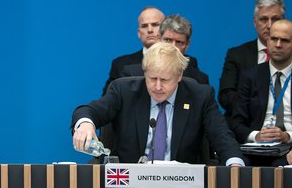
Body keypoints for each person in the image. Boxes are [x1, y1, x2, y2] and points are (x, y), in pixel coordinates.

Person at [72, 41, 244, 165]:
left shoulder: (199, 96)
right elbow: (89, 110)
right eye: (152, 78)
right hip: (129, 182)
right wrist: (86, 124)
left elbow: (222, 136)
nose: (158, 87)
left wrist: (235, 164)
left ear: (179, 76)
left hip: (181, 183)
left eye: (165, 80)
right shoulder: (124, 91)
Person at [230, 19, 292, 165]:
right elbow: (236, 122)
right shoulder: (250, 76)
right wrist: (257, 136)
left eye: (285, 40)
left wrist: (288, 136)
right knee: (237, 165)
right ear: (267, 41)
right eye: (274, 39)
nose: (278, 45)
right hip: (256, 148)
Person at [219, 0, 286, 117]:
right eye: (264, 19)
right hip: (245, 123)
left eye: (275, 19)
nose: (270, 25)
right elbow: (226, 95)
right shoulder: (237, 55)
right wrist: (255, 111)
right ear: (255, 22)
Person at [121, 14, 209, 84]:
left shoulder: (199, 81)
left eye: (179, 42)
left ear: (187, 45)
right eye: (168, 40)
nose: (173, 47)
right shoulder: (132, 75)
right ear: (159, 38)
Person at [102, 7, 165, 94]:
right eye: (144, 26)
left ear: (165, 29)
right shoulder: (121, 65)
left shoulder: (186, 63)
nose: (150, 30)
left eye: (155, 25)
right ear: (139, 33)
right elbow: (107, 103)